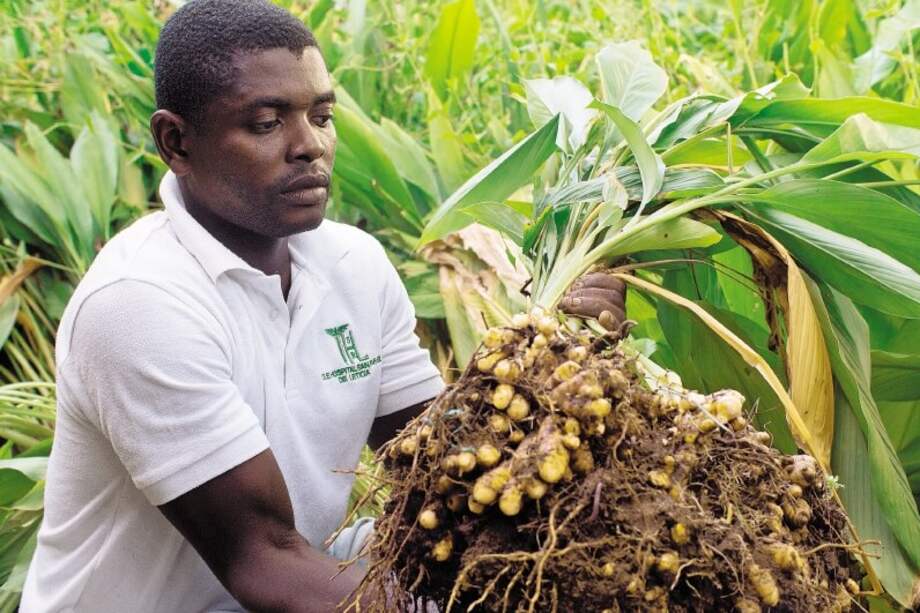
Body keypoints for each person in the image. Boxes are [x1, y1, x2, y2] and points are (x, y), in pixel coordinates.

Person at [20, 1, 626, 611]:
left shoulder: (352, 265)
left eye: (322, 115)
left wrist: (571, 359)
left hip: (304, 576)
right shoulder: (140, 304)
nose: (310, 146)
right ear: (176, 141)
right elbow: (263, 559)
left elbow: (447, 453)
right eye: (265, 123)